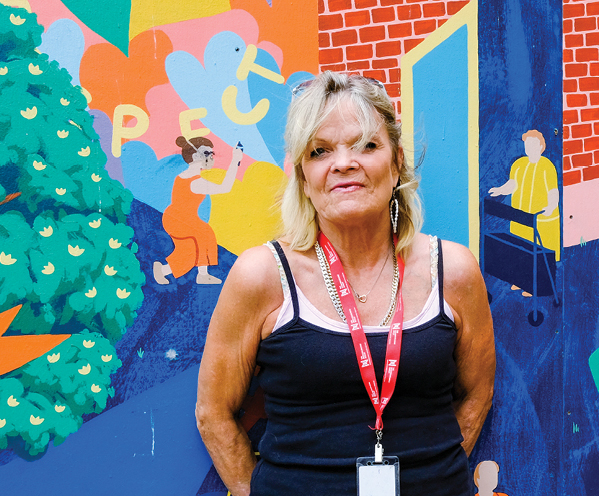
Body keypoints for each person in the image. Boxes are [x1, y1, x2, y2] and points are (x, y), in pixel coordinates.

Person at [195, 72, 496, 495]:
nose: (343, 163)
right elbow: (213, 413)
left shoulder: (453, 271)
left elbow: (478, 394)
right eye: (320, 151)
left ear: (396, 164)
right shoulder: (261, 276)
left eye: (366, 145)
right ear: (302, 175)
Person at [153, 136, 242, 285]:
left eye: (211, 154)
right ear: (195, 156)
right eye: (207, 154)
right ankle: (202, 275)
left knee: (189, 253)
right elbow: (225, 187)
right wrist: (235, 161)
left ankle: (162, 270)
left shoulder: (185, 176)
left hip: (178, 218)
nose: (211, 158)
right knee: (204, 233)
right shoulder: (196, 182)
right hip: (180, 220)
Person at [488, 129, 560, 263]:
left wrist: (551, 206)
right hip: (520, 220)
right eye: (527, 144)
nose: (529, 147)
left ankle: (542, 282)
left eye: (532, 144)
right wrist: (500, 190)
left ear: (540, 147)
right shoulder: (518, 165)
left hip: (541, 221)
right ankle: (520, 282)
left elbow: (553, 191)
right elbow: (512, 184)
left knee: (542, 257)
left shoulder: (547, 167)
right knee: (520, 251)